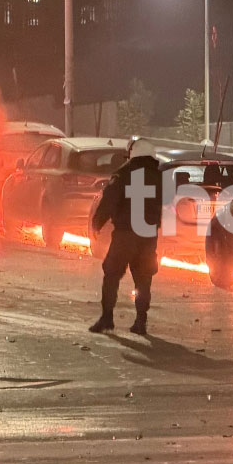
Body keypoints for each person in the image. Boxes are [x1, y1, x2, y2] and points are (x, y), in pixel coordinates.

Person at [89, 137, 164, 335]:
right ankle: (141, 321)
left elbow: (109, 200)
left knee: (112, 273)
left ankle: (107, 318)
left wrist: (97, 223)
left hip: (126, 235)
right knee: (143, 277)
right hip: (148, 235)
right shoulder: (159, 177)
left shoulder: (123, 174)